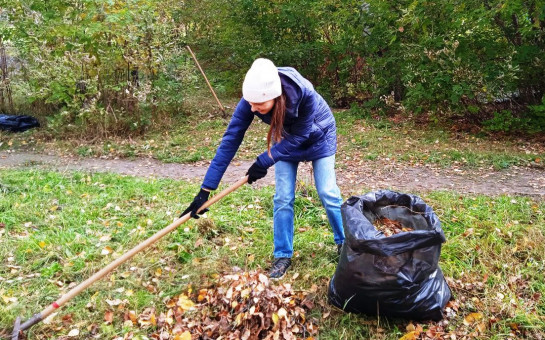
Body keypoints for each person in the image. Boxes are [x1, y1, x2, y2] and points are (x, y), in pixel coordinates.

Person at [182, 58, 345, 279]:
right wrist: (205, 190)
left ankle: (345, 243)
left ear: (275, 97)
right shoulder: (253, 97)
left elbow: (301, 135)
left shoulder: (304, 93)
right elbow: (231, 139)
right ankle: (283, 255)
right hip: (286, 139)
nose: (252, 108)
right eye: (249, 103)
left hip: (320, 137)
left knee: (327, 192)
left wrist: (265, 160)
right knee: (282, 198)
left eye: (258, 105)